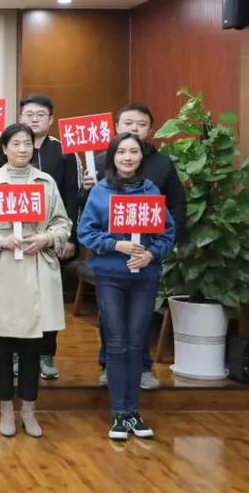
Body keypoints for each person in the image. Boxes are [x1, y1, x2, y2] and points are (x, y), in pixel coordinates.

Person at [0, 123, 72, 438]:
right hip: (4, 273)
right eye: (16, 143)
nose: (22, 149)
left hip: (37, 270)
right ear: (4, 148)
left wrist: (46, 238)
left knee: (32, 348)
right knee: (2, 347)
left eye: (27, 143)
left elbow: (62, 223)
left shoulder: (46, 182)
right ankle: (5, 409)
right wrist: (1, 241)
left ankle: (28, 409)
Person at [80, 102, 187, 390]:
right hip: (112, 263)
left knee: (140, 323)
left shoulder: (161, 166)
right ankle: (110, 366)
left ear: (150, 129)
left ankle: (142, 368)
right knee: (110, 321)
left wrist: (158, 249)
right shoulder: (100, 164)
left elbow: (175, 206)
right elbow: (86, 216)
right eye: (128, 123)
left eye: (141, 124)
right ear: (116, 127)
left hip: (147, 259)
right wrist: (86, 188)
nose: (135, 129)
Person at [78, 132, 175, 441]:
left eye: (134, 152)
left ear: (141, 157)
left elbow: (167, 234)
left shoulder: (151, 191)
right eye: (122, 152)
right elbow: (85, 232)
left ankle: (134, 412)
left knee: (136, 343)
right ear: (113, 157)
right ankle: (119, 413)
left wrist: (151, 254)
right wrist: (116, 245)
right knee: (117, 342)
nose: (128, 157)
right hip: (110, 277)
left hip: (144, 278)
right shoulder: (101, 192)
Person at [0, 95, 81, 380]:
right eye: (28, 113)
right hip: (12, 243)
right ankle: (18, 353)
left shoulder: (64, 150)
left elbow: (71, 197)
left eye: (40, 114)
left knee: (47, 301)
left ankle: (45, 353)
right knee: (16, 301)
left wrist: (66, 238)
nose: (34, 118)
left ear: (51, 119)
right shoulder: (6, 149)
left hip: (48, 240)